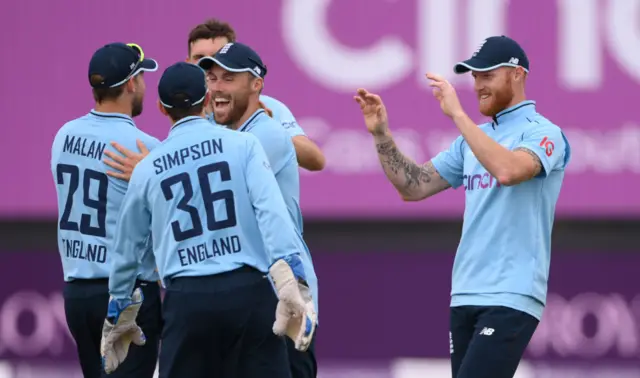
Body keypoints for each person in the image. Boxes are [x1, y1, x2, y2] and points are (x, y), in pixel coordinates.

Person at [355, 35, 571, 378]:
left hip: (511, 293)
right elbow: (414, 186)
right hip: (465, 293)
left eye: (487, 75)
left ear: (517, 75)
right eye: (474, 76)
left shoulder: (545, 133)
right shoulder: (470, 141)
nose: (477, 85)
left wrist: (457, 114)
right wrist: (381, 134)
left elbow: (509, 170)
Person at [99, 62, 317, 378]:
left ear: (162, 108)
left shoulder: (148, 168)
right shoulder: (243, 145)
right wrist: (291, 277)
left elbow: (127, 246)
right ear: (207, 100)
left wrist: (118, 305)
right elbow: (271, 213)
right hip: (248, 293)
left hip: (187, 302)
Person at [198, 42, 320, 378]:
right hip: (252, 291)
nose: (217, 88)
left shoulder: (265, 133)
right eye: (212, 78)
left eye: (228, 78)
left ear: (256, 84)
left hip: (282, 291)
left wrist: (151, 169)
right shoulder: (228, 135)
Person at [50, 42, 162, 378]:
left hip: (78, 293)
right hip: (127, 294)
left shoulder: (63, 136)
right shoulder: (145, 147)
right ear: (130, 84)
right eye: (141, 76)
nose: (144, 84)